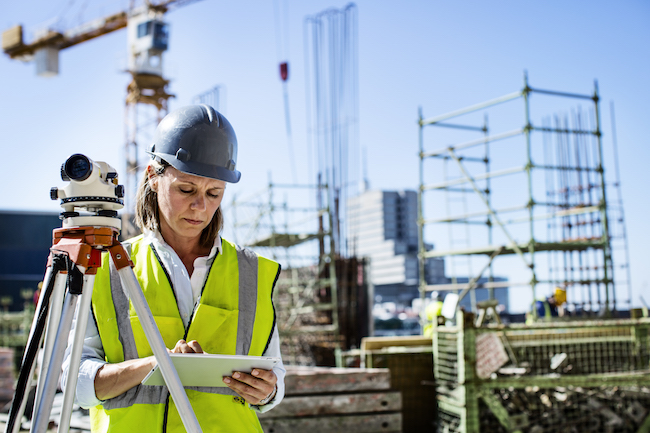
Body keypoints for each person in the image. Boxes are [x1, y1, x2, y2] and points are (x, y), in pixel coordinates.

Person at [61, 105, 284, 433]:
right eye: (186, 189)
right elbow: (76, 386)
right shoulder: (107, 269)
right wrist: (159, 365)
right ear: (153, 176)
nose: (200, 206)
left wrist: (269, 390)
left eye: (214, 193)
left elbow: (274, 373)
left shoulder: (252, 272)